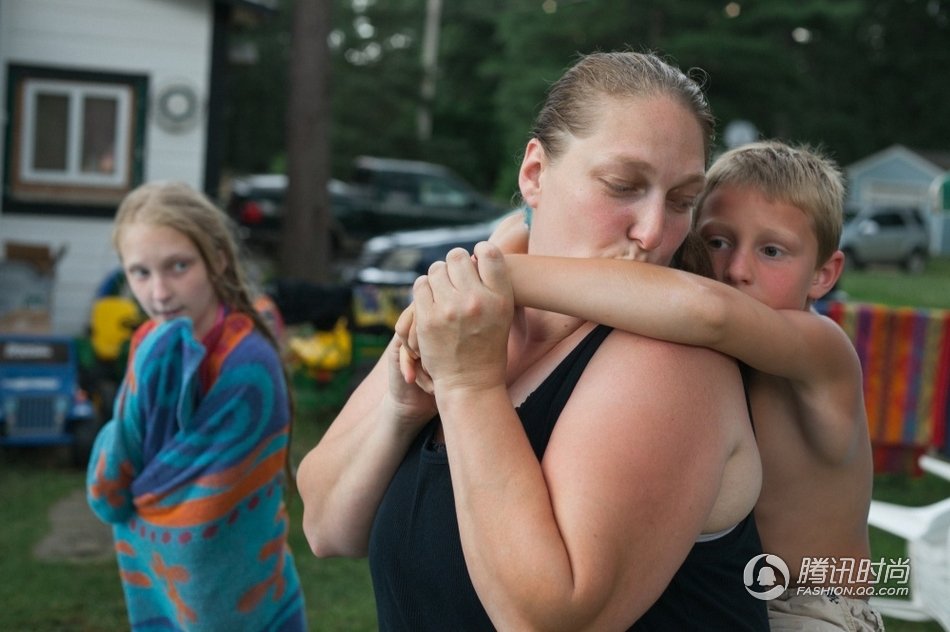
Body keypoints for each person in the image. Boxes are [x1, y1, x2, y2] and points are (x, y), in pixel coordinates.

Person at [298, 51, 768, 630]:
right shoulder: (476, 319)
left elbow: (549, 620)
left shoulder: (672, 363)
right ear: (534, 174)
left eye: (680, 201)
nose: (652, 232)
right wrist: (403, 406)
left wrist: (469, 387)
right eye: (623, 186)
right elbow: (324, 526)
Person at [492, 141, 884, 631]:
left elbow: (711, 314)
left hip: (810, 608)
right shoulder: (703, 349)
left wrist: (497, 276)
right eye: (718, 241)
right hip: (722, 590)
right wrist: (515, 237)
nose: (737, 269)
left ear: (824, 274)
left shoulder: (820, 350)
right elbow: (517, 226)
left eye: (772, 251)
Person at [86, 182, 306, 631]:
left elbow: (201, 520)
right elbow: (111, 489)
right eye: (140, 273)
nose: (159, 292)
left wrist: (134, 495)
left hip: (244, 594)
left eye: (178, 266)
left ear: (216, 259)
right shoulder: (149, 346)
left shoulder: (249, 366)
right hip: (162, 599)